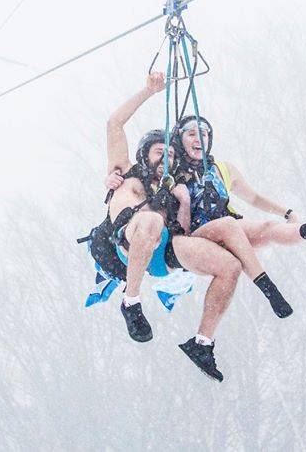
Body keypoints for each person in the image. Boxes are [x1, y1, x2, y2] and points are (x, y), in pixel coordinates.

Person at [97, 74, 294, 381]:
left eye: (171, 155)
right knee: (150, 220)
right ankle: (131, 302)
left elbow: (186, 232)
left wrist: (184, 201)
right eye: (160, 152)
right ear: (145, 154)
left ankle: (202, 343)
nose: (166, 158)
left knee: (229, 266)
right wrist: (149, 92)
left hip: (164, 253)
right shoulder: (126, 173)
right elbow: (114, 124)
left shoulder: (174, 188)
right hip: (127, 244)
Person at [170, 114, 306, 248]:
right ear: (179, 140)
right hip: (199, 236)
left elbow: (254, 198)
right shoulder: (172, 172)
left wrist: (287, 213)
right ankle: (305, 231)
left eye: (203, 135)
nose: (198, 139)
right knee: (262, 230)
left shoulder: (223, 169)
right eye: (191, 134)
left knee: (269, 229)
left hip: (229, 228)